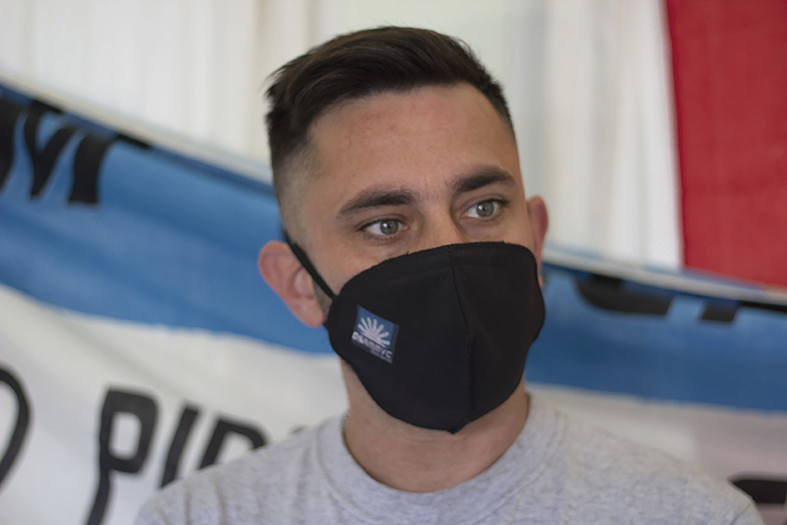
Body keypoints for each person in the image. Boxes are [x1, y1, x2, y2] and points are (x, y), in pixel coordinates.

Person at [135, 26, 762, 525]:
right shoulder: (198, 517)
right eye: (385, 224)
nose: (450, 254)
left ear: (536, 240)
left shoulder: (692, 516)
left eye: (483, 208)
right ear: (299, 284)